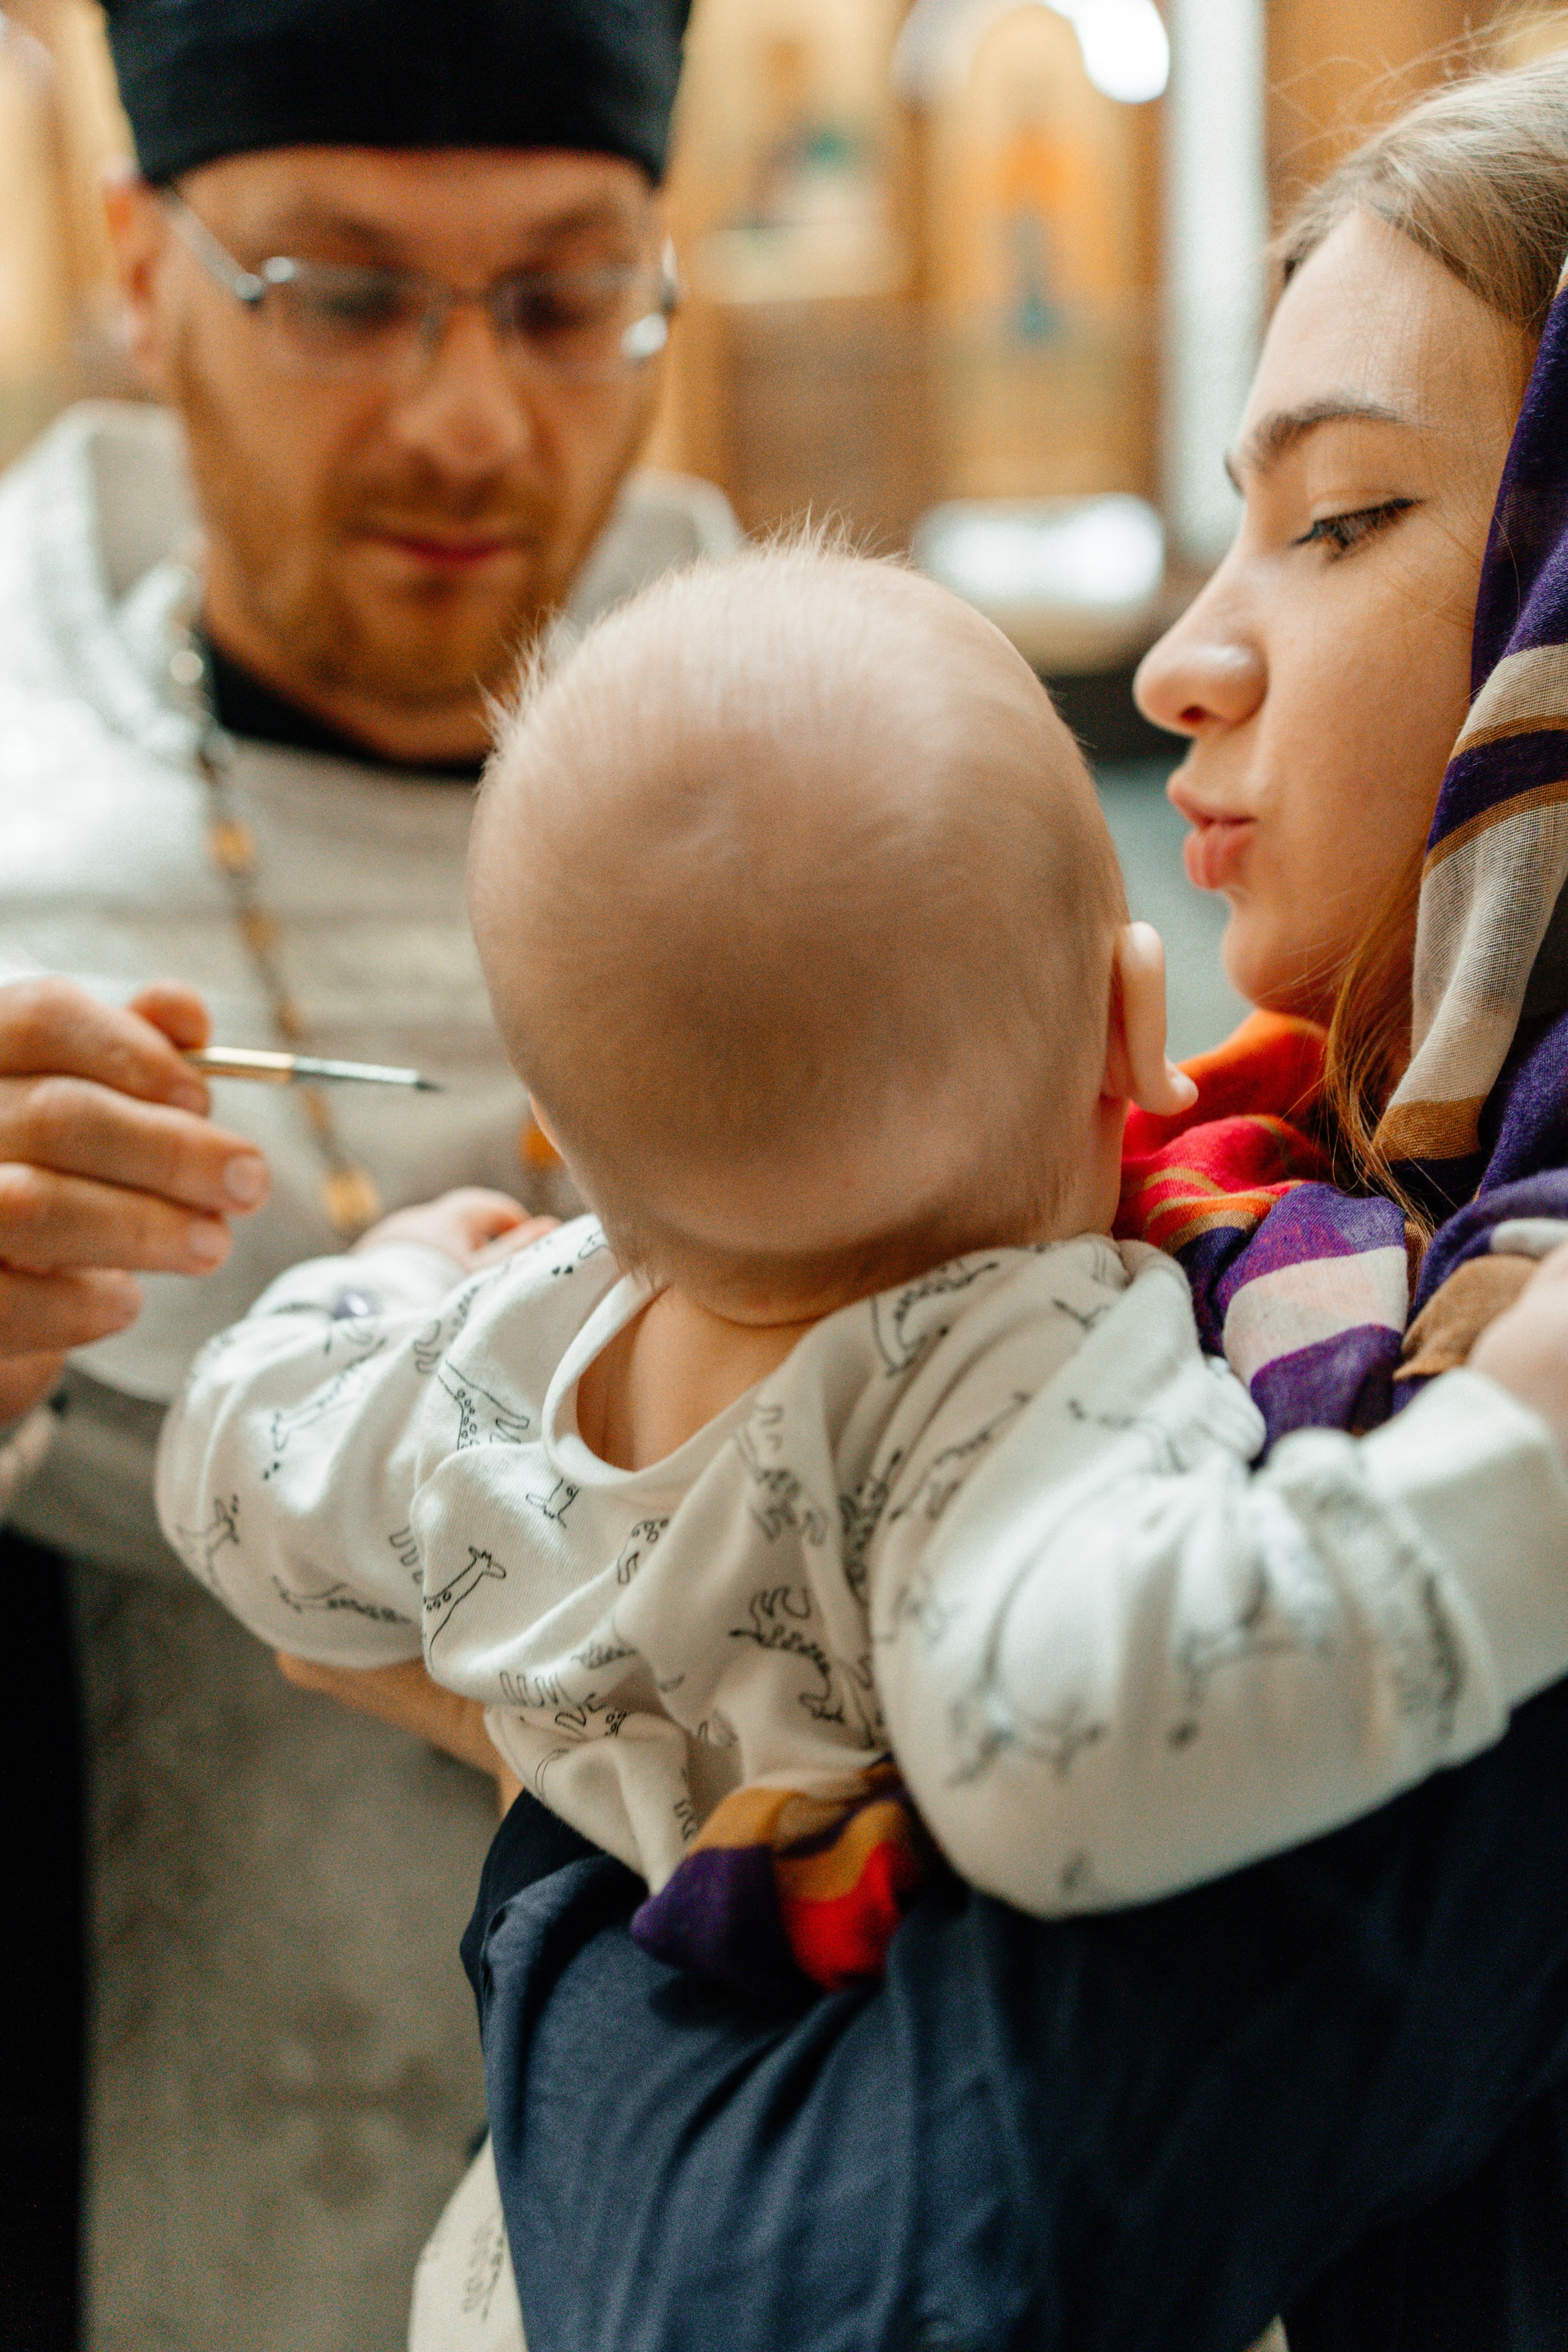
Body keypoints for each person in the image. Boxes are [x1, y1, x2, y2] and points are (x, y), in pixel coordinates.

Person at [300, 52, 1568, 2352]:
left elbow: (779, 2289)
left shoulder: (1515, 1402)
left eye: (1348, 520)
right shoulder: (1315, 1213)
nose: (1187, 655)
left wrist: (575, 1712)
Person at [157, 538, 1568, 2018]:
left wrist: (378, 1281)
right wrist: (1516, 1463)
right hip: (841, 2159)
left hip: (519, 2206)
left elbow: (229, 1460)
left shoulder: (500, 1344)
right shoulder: (1022, 1369)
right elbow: (1068, 1759)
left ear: (560, 1134)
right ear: (1133, 1020)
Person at [0, 0, 737, 2342]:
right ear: (141, 270)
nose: (465, 419)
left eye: (558, 296)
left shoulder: (883, 827)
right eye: (337, 296)